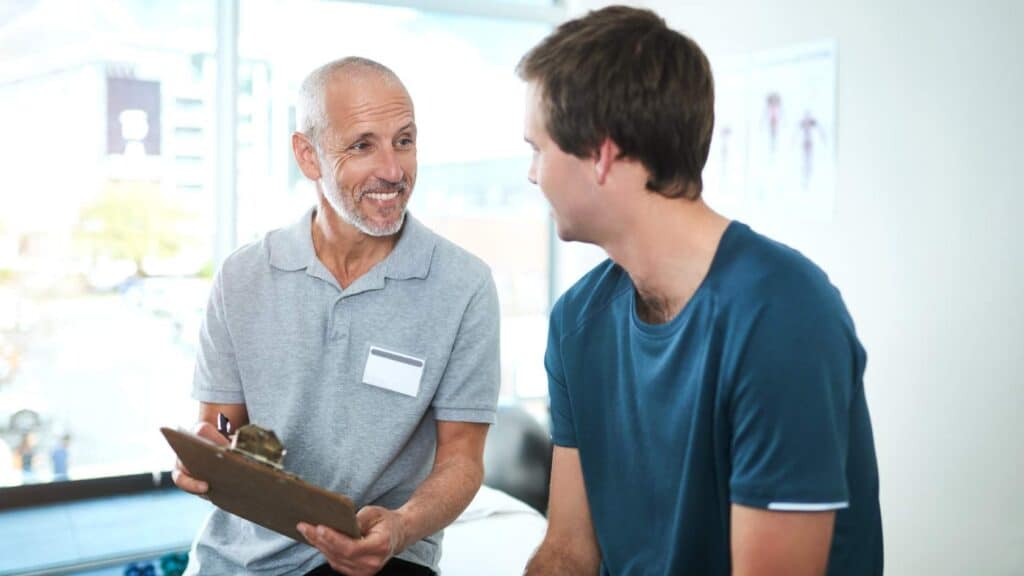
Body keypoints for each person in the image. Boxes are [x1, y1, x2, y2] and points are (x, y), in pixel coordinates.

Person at [518, 6, 882, 575]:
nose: (533, 174)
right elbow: (569, 550)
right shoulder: (576, 322)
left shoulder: (783, 317)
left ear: (601, 153)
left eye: (538, 148)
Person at [172, 57, 501, 576]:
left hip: (383, 554)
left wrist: (402, 526)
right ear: (308, 155)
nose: (393, 171)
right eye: (363, 145)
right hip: (237, 559)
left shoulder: (464, 286)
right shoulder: (242, 277)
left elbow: (462, 460)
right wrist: (209, 444)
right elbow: (220, 420)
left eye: (405, 141)